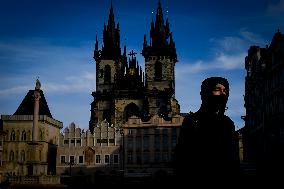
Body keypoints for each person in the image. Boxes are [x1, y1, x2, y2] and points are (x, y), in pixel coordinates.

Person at [173, 76, 240, 185]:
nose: (222, 94)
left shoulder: (228, 123)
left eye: (225, 91)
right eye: (217, 90)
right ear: (206, 93)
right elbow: (182, 159)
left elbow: (234, 161)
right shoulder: (192, 121)